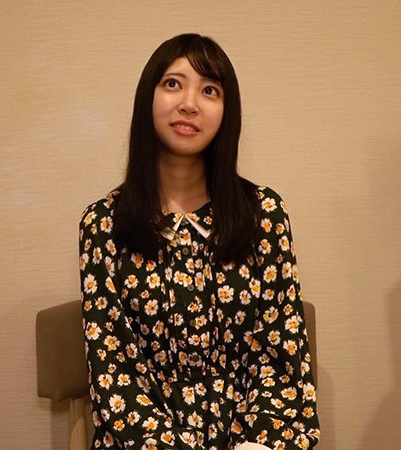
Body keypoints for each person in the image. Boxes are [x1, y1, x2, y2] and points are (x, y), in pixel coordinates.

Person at [78, 33, 319, 450]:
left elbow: (281, 356)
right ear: (147, 97)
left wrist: (254, 445)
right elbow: (113, 372)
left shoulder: (264, 213)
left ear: (227, 112)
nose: (189, 103)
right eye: (173, 84)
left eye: (209, 90)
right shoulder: (103, 224)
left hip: (250, 442)